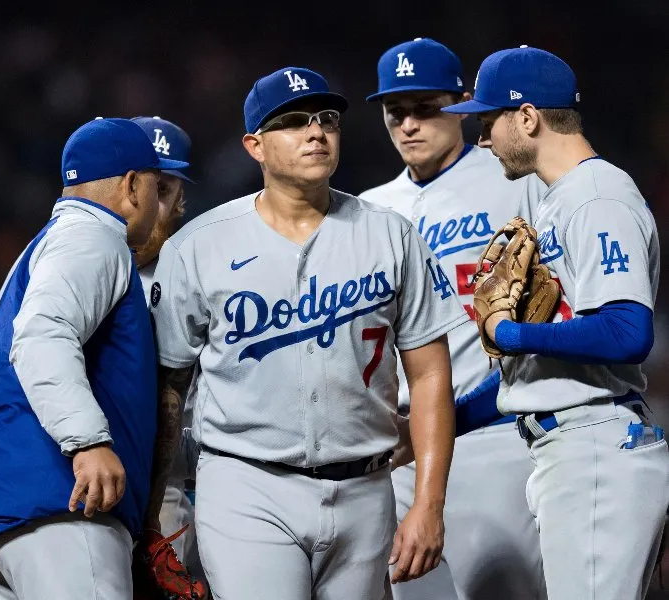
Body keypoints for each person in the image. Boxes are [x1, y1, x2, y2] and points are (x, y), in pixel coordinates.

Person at [149, 66, 468, 599]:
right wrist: (148, 508)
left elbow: (432, 370)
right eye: (294, 122)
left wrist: (429, 504)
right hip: (249, 485)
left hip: (368, 487)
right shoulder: (200, 245)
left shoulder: (389, 234)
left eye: (326, 119)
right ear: (255, 146)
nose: (316, 132)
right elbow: (168, 386)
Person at [444, 46, 669, 600]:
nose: (482, 139)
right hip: (571, 441)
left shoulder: (596, 196)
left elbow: (628, 332)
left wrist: (510, 333)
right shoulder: (560, 199)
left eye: (487, 120)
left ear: (527, 117)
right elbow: (535, 367)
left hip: (594, 444)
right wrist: (445, 421)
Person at [0, 117, 189, 599]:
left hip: (0, 511)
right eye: (157, 186)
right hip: (58, 508)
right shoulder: (93, 238)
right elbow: (41, 337)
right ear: (132, 185)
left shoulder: (43, 246)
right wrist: (87, 442)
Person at [359, 38, 547, 600]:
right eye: (397, 113)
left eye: (425, 108)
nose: (410, 125)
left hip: (495, 436)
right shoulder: (371, 210)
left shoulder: (514, 180)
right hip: (398, 449)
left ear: (462, 103)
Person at [130, 116, 202, 573]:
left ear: (180, 202)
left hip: (169, 483)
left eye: (164, 189)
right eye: (141, 184)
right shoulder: (67, 260)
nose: (146, 202)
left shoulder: (198, 274)